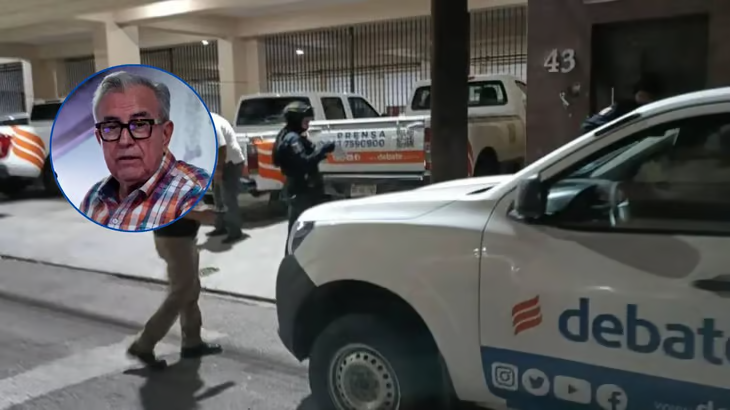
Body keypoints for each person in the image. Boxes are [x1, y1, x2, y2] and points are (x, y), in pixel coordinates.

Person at [79, 71, 210, 231]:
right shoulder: (92, 199)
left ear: (165, 134)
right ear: (100, 139)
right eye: (111, 127)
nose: (125, 141)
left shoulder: (193, 193)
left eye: (140, 124)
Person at [127, 205, 222, 369]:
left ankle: (192, 343)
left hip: (184, 237)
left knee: (190, 290)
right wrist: (198, 214)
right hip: (175, 239)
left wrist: (200, 209)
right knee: (181, 294)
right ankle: (144, 344)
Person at [272, 101, 335, 241]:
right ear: (296, 119)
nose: (308, 124)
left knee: (301, 228)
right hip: (301, 190)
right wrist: (322, 151)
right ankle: (294, 254)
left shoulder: (287, 134)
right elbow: (304, 163)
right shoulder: (293, 139)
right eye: (306, 121)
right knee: (301, 230)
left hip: (299, 188)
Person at [207, 112, 246, 244]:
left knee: (228, 198)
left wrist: (219, 171)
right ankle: (221, 226)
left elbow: (222, 148)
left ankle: (235, 231)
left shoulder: (212, 122)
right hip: (219, 162)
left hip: (231, 163)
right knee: (217, 196)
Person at [581, 74, 663, 134]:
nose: (646, 99)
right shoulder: (623, 107)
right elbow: (590, 125)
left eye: (649, 97)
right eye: (642, 95)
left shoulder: (651, 111)